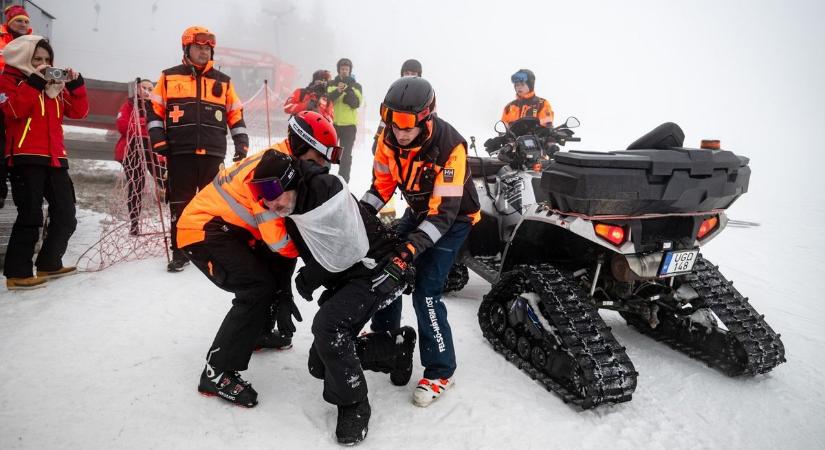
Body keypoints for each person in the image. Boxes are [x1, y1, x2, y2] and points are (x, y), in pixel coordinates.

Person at [181, 146, 415, 445]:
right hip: (352, 276)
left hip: (380, 269)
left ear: (291, 179)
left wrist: (313, 275)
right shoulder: (289, 206)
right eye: (260, 193)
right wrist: (283, 292)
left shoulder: (324, 191)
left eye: (271, 190)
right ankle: (395, 349)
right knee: (320, 364)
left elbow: (348, 251)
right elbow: (287, 252)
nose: (268, 201)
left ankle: (355, 404)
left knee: (328, 328)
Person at [360, 77, 480, 407]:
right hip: (419, 209)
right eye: (392, 121)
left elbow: (442, 215)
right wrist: (360, 212)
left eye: (407, 125)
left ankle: (441, 370)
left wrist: (409, 251)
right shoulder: (387, 140)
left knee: (426, 290)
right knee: (384, 266)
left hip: (453, 218)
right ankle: (387, 338)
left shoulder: (450, 146)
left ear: (427, 117)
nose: (399, 132)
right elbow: (381, 186)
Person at [147, 26, 249, 272]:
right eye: (198, 48)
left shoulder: (223, 82)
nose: (203, 52)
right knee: (180, 204)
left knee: (212, 206)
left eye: (207, 48)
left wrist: (241, 142)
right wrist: (158, 138)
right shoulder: (168, 77)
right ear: (187, 49)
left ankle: (210, 250)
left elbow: (235, 113)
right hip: (179, 152)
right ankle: (180, 252)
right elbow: (154, 111)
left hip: (213, 152)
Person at [0, 36, 88, 290]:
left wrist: (75, 85)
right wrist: (35, 82)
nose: (43, 64)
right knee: (30, 215)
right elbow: (13, 111)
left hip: (55, 157)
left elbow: (78, 112)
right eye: (37, 59)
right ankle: (17, 273)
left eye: (47, 59)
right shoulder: (9, 80)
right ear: (23, 58)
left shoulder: (54, 85)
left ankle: (49, 262)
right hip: (24, 156)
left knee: (66, 213)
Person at [115, 78, 167, 236]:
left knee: (165, 181)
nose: (147, 91)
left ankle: (174, 218)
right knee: (137, 185)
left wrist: (140, 124)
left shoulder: (158, 107)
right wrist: (148, 125)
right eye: (143, 88)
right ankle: (134, 224)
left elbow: (164, 128)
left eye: (150, 89)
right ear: (137, 90)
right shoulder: (129, 105)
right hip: (132, 149)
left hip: (154, 150)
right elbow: (123, 126)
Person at [0, 4, 33, 210]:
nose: (23, 24)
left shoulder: (32, 43)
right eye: (19, 20)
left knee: (16, 144)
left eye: (26, 21)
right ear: (9, 22)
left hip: (20, 96)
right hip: (3, 93)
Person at [371, 59, 423, 155]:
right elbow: (385, 117)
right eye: (407, 73)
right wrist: (378, 136)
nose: (410, 75)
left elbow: (432, 119)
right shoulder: (395, 91)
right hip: (394, 136)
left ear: (419, 75)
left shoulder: (425, 93)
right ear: (402, 74)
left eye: (413, 73)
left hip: (417, 140)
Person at [327, 58, 362, 182]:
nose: (344, 71)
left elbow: (356, 103)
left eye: (347, 69)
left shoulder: (356, 86)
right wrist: (338, 90)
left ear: (350, 71)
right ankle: (325, 177)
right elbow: (328, 99)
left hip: (349, 126)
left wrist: (348, 90)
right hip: (333, 125)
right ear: (338, 70)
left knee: (346, 156)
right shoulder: (331, 84)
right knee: (330, 153)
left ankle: (343, 181)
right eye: (342, 69)